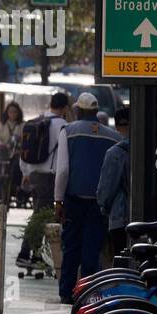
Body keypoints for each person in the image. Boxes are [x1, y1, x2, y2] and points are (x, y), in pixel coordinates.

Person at [54, 92, 121, 303]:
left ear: (78, 110)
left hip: (74, 200)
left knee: (71, 247)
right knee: (92, 249)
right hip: (99, 203)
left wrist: (58, 200)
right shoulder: (113, 137)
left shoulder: (68, 131)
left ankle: (67, 293)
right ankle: (88, 294)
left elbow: (63, 170)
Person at [16, 92, 69, 266]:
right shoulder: (63, 125)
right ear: (64, 107)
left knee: (39, 215)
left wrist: (25, 172)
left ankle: (37, 255)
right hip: (49, 176)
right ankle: (24, 254)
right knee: (40, 216)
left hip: (34, 174)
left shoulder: (37, 120)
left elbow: (24, 150)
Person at [95, 104, 131, 257]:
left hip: (120, 217)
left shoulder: (115, 153)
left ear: (117, 127)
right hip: (148, 219)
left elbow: (106, 190)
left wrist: (104, 208)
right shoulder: (151, 148)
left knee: (121, 262)